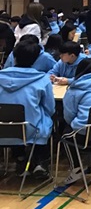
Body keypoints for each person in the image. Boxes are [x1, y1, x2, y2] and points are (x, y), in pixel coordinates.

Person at [0, 41, 55, 178]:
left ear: (14, 56)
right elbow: (50, 108)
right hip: (30, 130)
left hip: (2, 128)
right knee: (44, 119)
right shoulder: (42, 79)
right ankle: (40, 162)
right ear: (36, 59)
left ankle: (19, 157)